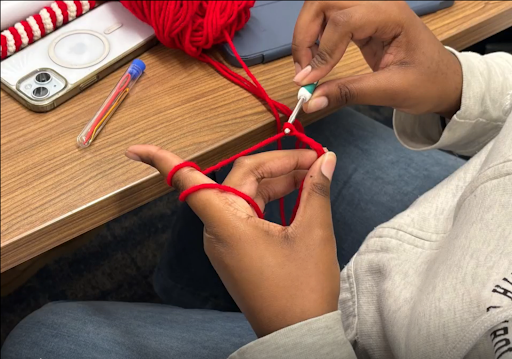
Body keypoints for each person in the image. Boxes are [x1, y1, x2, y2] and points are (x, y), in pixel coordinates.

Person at [2, 1, 511, 358]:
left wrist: (301, 334)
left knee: (49, 341)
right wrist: (460, 85)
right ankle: (194, 297)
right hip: (475, 212)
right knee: (270, 144)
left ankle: (219, 305)